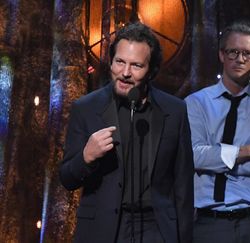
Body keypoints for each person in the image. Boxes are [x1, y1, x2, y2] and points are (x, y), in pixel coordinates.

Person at [59, 22, 194, 243]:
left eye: (136, 65)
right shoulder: (86, 108)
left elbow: (183, 186)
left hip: (156, 228)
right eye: (119, 62)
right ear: (111, 61)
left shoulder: (174, 110)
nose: (125, 73)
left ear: (151, 70)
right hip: (103, 229)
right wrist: (86, 157)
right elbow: (67, 178)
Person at [185, 20, 250, 243]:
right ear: (222, 55)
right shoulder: (196, 103)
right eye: (233, 52)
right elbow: (195, 156)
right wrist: (249, 150)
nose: (239, 59)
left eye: (247, 54)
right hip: (209, 221)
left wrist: (214, 157)